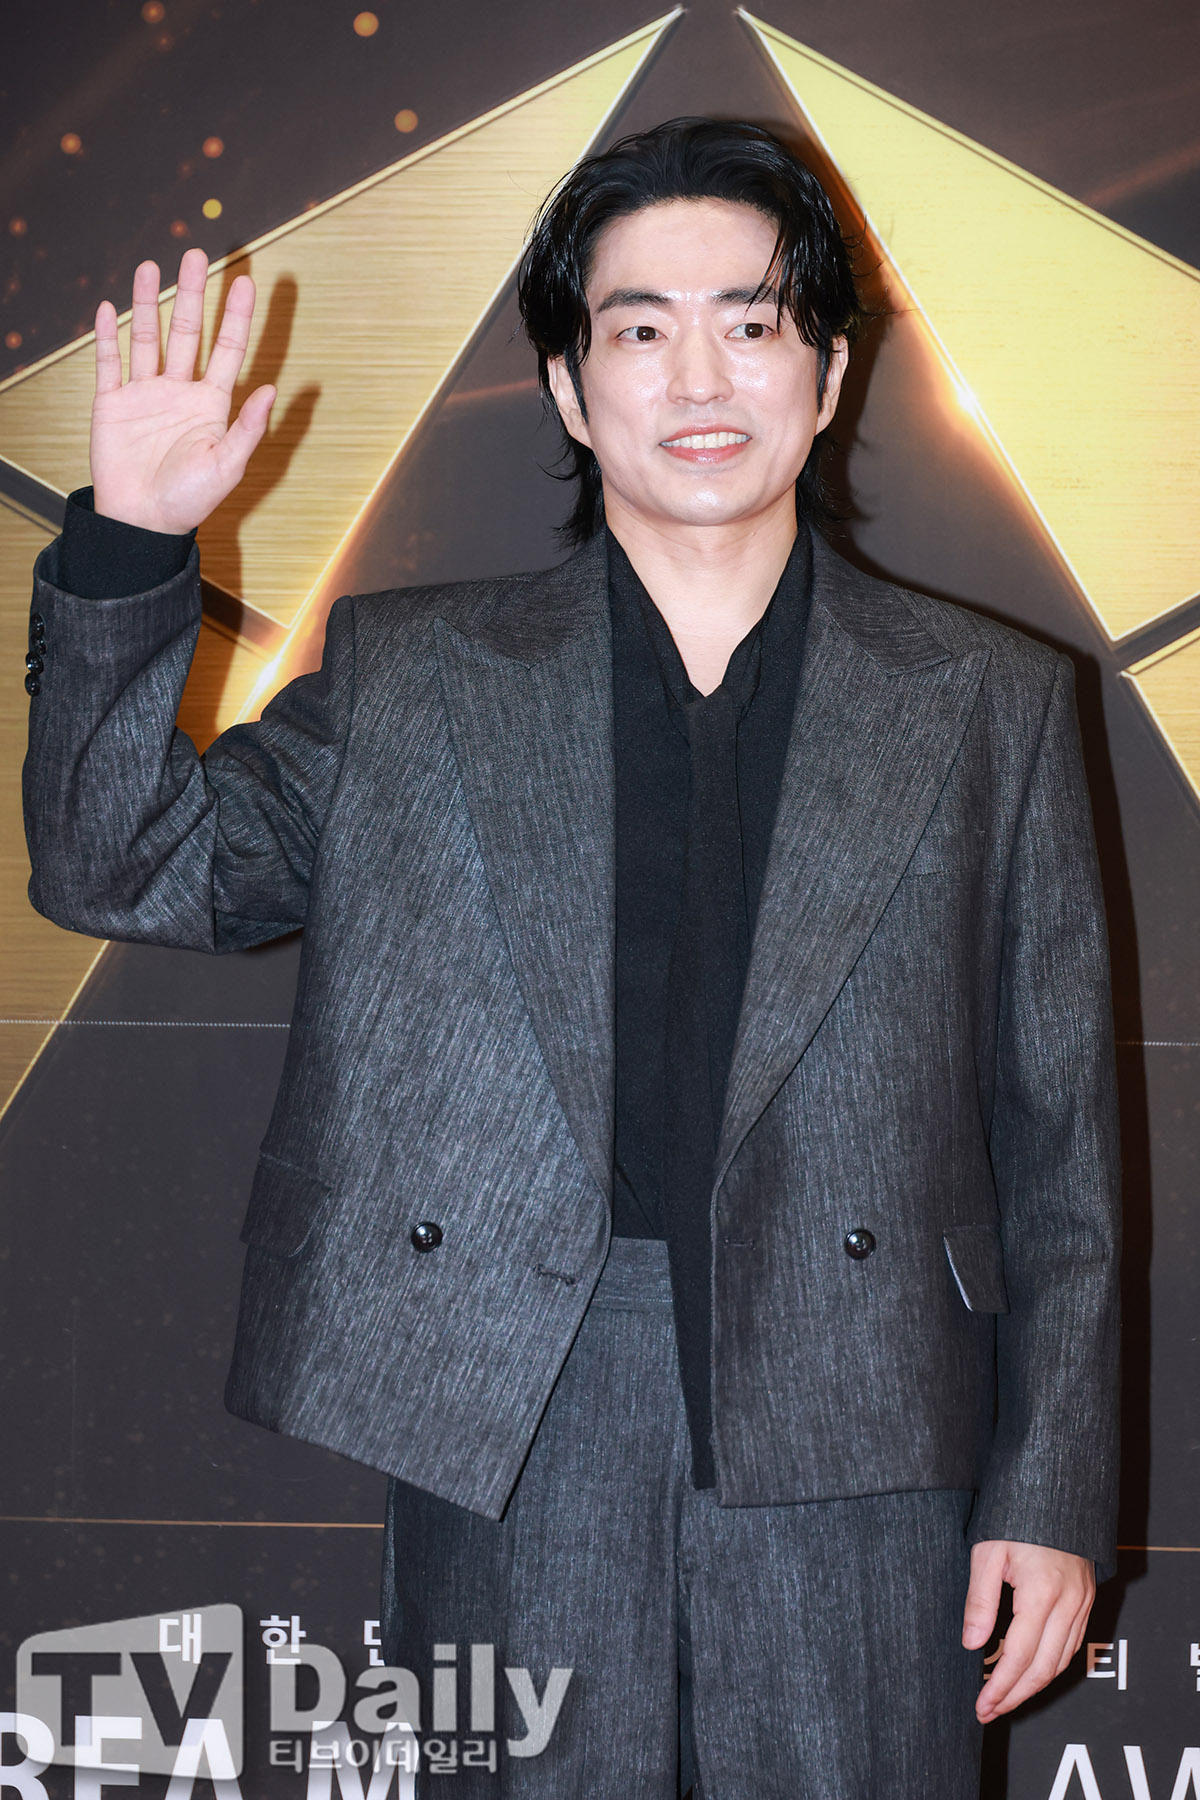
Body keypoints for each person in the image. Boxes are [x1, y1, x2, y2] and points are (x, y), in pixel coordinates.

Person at [23, 118, 1120, 1798]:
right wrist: (129, 544)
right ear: (568, 386)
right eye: (640, 327)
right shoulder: (417, 679)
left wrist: (1050, 1490)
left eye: (753, 322)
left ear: (827, 375)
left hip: (873, 1419)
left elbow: (1063, 1148)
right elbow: (123, 862)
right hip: (518, 1408)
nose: (702, 376)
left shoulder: (990, 702)